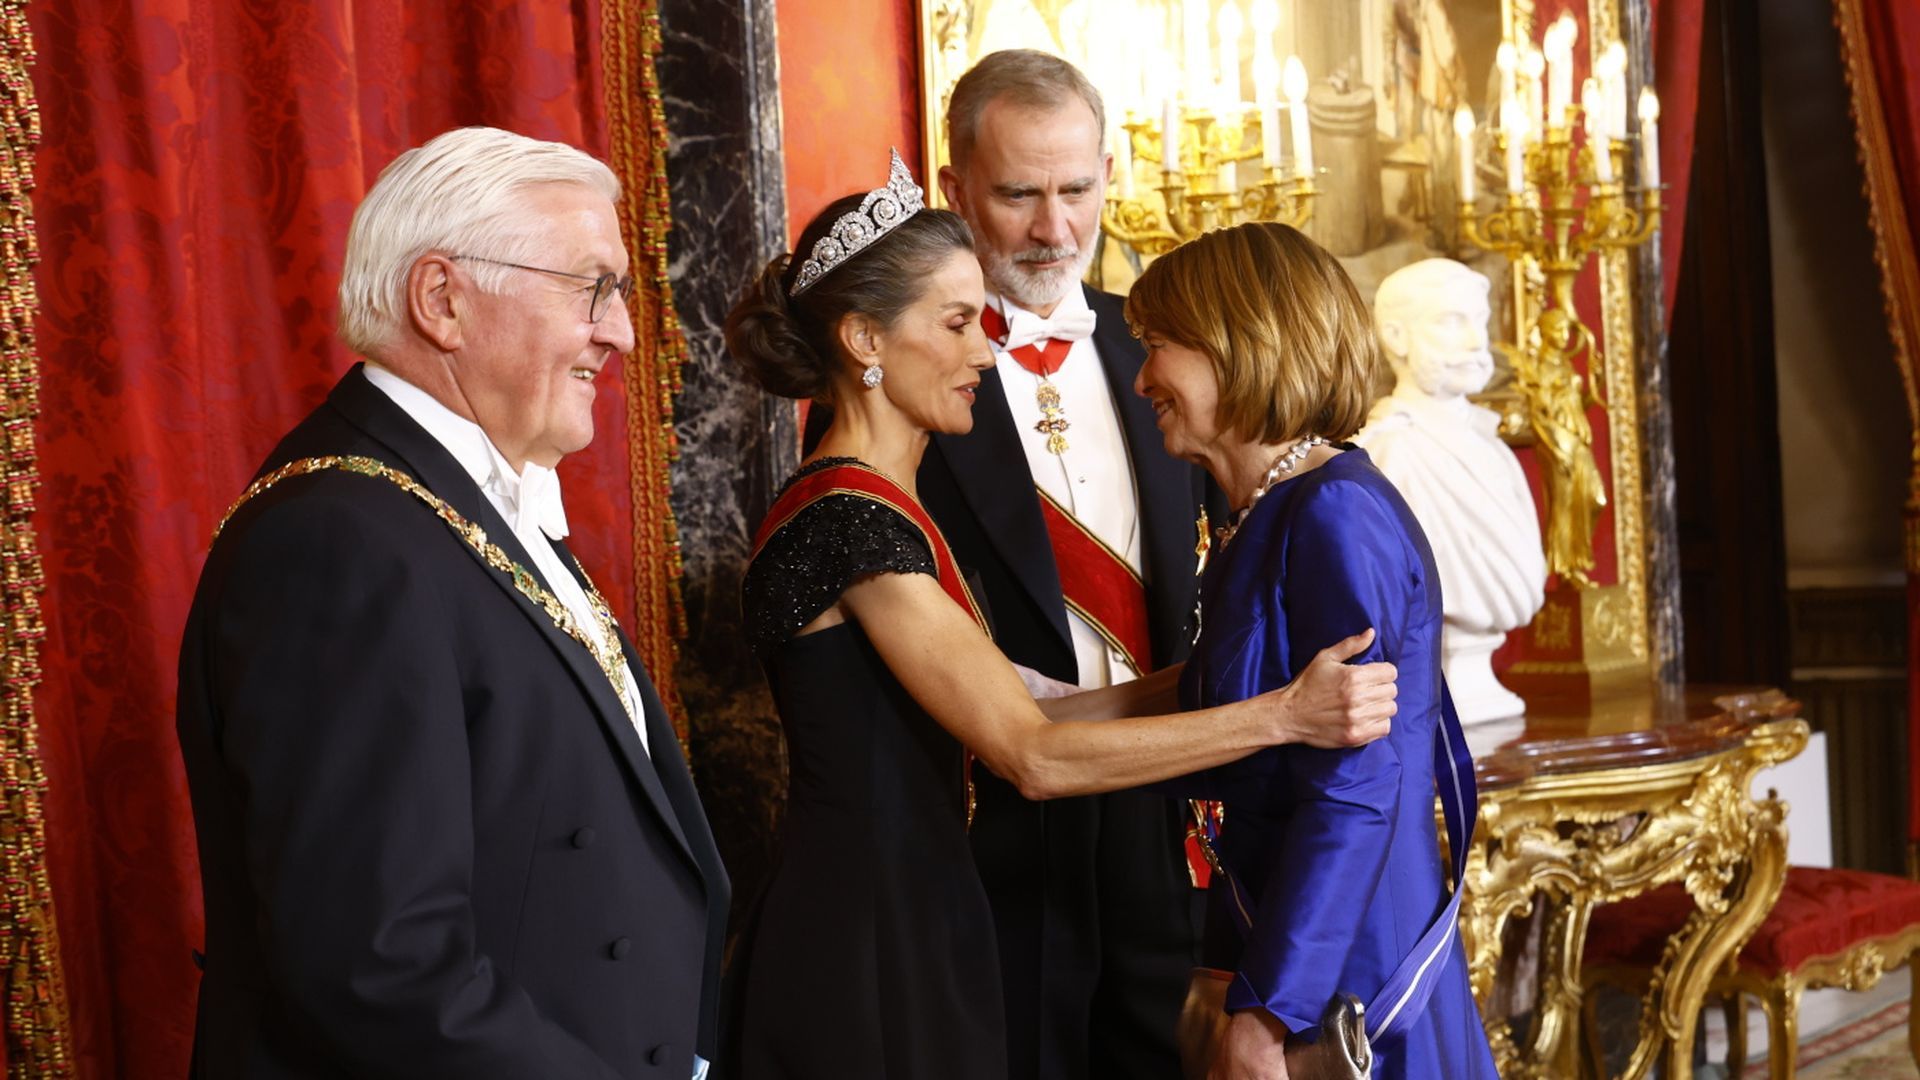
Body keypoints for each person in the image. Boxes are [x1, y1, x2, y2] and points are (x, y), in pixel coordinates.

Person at [722, 151, 1399, 1080]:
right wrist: (1283, 716)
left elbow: (1042, 707)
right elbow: (1032, 756)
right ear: (865, 340)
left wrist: (1241, 683)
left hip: (922, 908)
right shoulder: (850, 520)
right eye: (957, 323)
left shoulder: (884, 509)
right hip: (868, 933)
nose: (984, 351)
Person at [176, 127, 728, 1079]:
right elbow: (380, 967)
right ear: (442, 300)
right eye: (590, 287)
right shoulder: (336, 540)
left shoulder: (457, 504)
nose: (622, 333)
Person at [1126, 222, 1497, 1079]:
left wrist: (1269, 1015)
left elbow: (1355, 789)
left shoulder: (1335, 511)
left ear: (1236, 344)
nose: (1144, 378)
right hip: (1282, 936)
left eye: (1158, 346)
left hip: (1349, 970)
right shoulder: (1268, 509)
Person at [928, 48, 1227, 1080]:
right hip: (996, 830)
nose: (1054, 229)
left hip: (1168, 811)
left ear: (1108, 174)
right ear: (955, 187)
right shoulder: (903, 376)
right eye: (1018, 195)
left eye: (1076, 190)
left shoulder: (1166, 349)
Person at [1354, 258, 1545, 724]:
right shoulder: (1387, 454)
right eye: (1452, 322)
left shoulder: (1494, 449)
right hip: (1421, 705)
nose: (1477, 341)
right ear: (1396, 336)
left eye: (1480, 321)